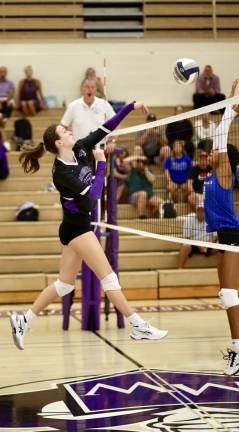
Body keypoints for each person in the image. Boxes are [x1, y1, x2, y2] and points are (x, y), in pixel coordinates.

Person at [10, 102, 168, 350]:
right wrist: (102, 163)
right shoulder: (61, 172)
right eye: (66, 133)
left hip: (75, 227)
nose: (71, 132)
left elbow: (106, 128)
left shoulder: (81, 148)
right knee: (109, 277)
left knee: (64, 285)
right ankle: (138, 325)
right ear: (59, 143)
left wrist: (130, 107)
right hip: (77, 230)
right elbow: (94, 195)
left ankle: (24, 319)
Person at [203, 79, 239, 375]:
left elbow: (220, 138)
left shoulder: (225, 172)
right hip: (220, 237)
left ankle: (237, 351)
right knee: (227, 293)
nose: (212, 153)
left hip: (232, 237)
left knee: (229, 294)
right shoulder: (210, 175)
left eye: (218, 152)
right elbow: (217, 140)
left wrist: (229, 108)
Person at [125, 147, 161, 218]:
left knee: (161, 203)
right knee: (143, 194)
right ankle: (141, 217)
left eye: (140, 150)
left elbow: (152, 180)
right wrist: (137, 156)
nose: (140, 163)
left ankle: (152, 212)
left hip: (149, 196)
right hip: (134, 196)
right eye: (136, 150)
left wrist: (144, 169)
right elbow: (124, 161)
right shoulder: (131, 169)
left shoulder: (148, 170)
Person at [178, 203, 216, 269]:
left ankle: (222, 269)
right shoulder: (189, 218)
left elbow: (214, 236)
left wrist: (207, 246)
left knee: (223, 248)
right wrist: (199, 246)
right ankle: (179, 269)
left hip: (208, 245)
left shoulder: (211, 219)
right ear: (196, 211)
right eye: (200, 210)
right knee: (185, 246)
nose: (201, 212)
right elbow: (187, 237)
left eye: (203, 210)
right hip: (194, 245)